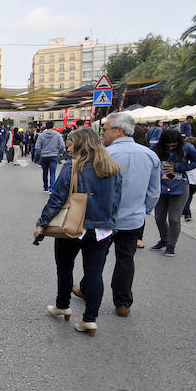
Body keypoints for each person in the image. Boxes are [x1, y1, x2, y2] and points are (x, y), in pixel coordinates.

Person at [34, 128, 122, 337]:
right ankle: (89, 320)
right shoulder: (112, 168)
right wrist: (110, 224)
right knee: (94, 273)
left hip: (74, 227)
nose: (68, 147)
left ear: (83, 144)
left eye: (71, 143)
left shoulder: (72, 167)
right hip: (102, 229)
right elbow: (117, 200)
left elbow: (56, 199)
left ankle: (63, 305)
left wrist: (42, 223)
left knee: (65, 268)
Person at [73, 112, 159, 317]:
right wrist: (143, 209)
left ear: (119, 130)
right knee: (126, 259)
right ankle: (122, 302)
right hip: (133, 219)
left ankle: (87, 289)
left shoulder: (105, 155)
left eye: (106, 129)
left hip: (104, 218)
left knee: (97, 257)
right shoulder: (149, 155)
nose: (103, 133)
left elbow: (91, 187)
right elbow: (154, 191)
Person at [151, 129, 196, 256]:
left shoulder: (187, 147)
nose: (171, 148)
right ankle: (164, 239)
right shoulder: (156, 148)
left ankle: (171, 245)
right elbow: (151, 164)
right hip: (161, 187)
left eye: (174, 145)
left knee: (174, 218)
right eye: (168, 146)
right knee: (159, 218)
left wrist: (179, 167)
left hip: (180, 187)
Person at [35, 121, 65, 192]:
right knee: (52, 173)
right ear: (53, 126)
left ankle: (45, 187)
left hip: (44, 156)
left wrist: (41, 153)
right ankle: (52, 188)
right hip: (54, 155)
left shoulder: (41, 135)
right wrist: (59, 152)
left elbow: (37, 147)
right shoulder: (57, 135)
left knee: (45, 172)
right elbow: (62, 146)